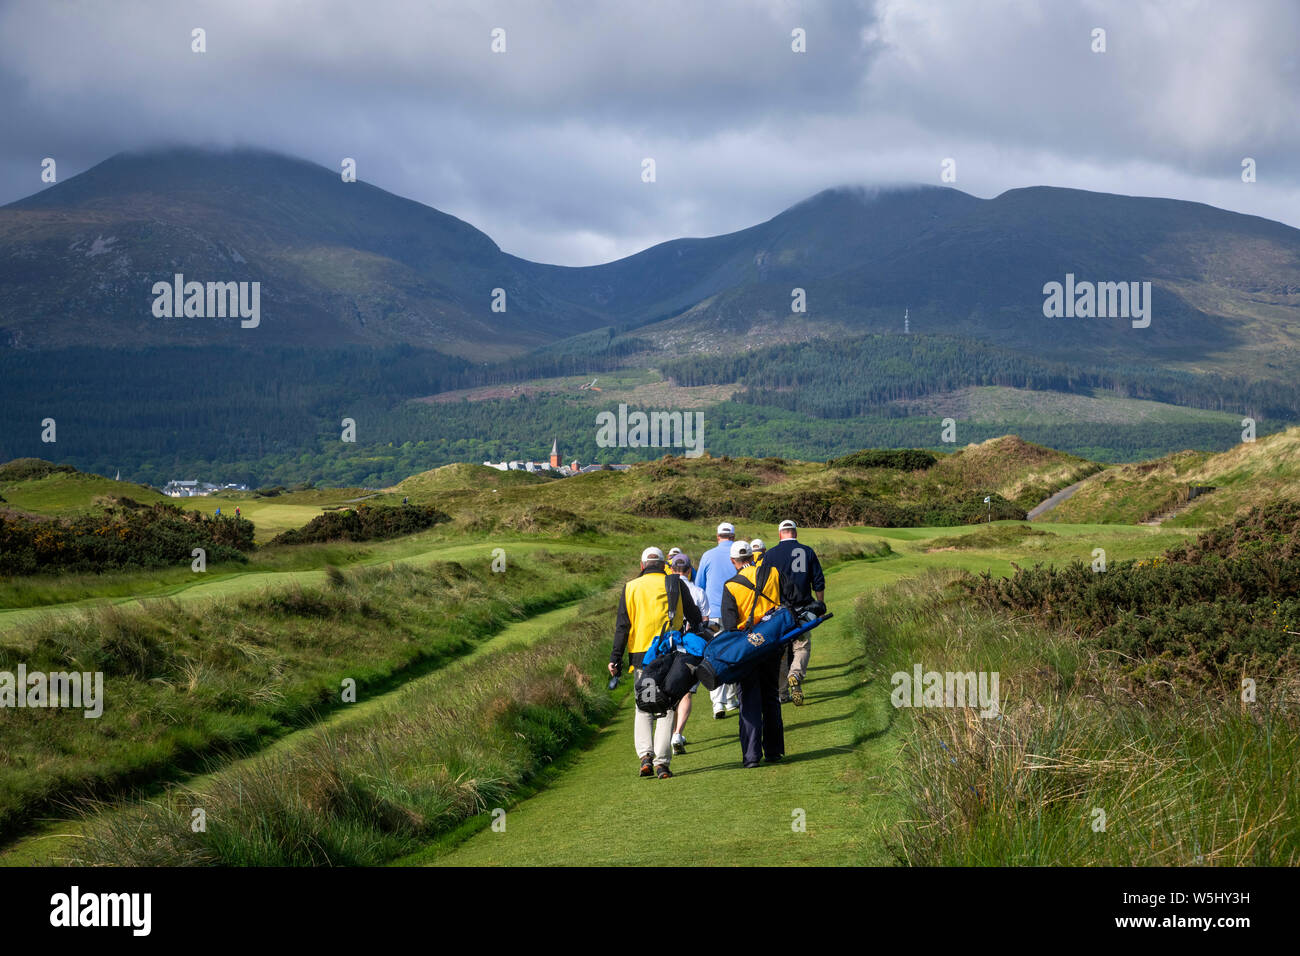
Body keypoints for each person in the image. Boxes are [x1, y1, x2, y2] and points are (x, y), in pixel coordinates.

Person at [610, 546, 703, 779]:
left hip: (642, 657)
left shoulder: (630, 587)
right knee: (668, 704)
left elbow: (623, 627)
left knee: (644, 704)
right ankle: (662, 762)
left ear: (642, 566)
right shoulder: (676, 584)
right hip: (670, 653)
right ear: (664, 565)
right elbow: (694, 617)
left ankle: (645, 756)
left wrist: (615, 658)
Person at [720, 540, 785, 768]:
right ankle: (775, 751)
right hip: (773, 641)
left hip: (747, 647)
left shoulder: (731, 585)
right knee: (770, 695)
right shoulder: (773, 572)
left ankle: (751, 756)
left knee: (748, 699)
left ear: (733, 561)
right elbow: (786, 601)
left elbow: (729, 627)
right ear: (753, 555)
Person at [764, 519, 826, 706]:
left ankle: (782, 693)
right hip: (804, 608)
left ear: (779, 533)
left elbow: (764, 586)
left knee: (781, 651)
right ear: (795, 533)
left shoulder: (770, 555)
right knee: (801, 646)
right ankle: (796, 674)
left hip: (779, 610)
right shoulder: (807, 551)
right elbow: (818, 581)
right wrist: (820, 604)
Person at [693, 522, 741, 718]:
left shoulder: (707, 555)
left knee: (713, 656)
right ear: (733, 536)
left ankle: (718, 703)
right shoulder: (739, 552)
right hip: (735, 613)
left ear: (717, 536)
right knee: (733, 653)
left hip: (713, 614)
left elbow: (699, 586)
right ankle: (731, 699)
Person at [668, 551, 709, 754]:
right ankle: (677, 733)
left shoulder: (665, 589)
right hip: (691, 647)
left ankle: (670, 733)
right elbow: (704, 622)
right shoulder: (699, 591)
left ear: (671, 568)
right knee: (686, 692)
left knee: (670, 689)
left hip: (670, 645)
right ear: (690, 570)